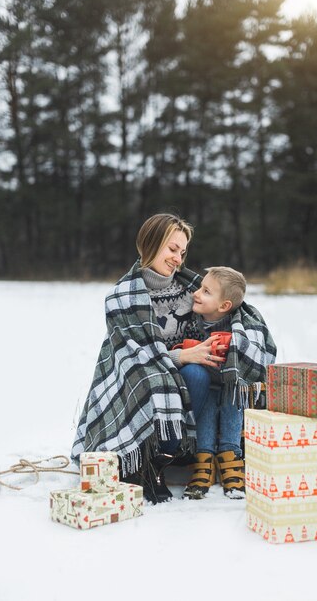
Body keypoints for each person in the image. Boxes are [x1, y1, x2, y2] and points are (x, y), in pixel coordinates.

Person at [71, 213, 225, 504]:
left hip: (179, 378)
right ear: (151, 244)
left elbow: (226, 308)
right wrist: (180, 356)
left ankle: (167, 455)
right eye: (172, 249)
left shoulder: (191, 291)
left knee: (197, 373)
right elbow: (132, 354)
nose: (178, 259)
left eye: (182, 251)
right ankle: (142, 462)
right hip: (135, 377)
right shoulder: (122, 296)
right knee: (150, 376)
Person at [182, 266, 277, 500]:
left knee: (233, 398)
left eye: (206, 291)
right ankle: (204, 461)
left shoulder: (242, 324)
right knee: (208, 404)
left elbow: (256, 354)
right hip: (206, 384)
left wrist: (234, 350)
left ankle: (231, 458)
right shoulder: (191, 321)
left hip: (234, 384)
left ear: (224, 306)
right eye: (200, 287)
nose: (196, 293)